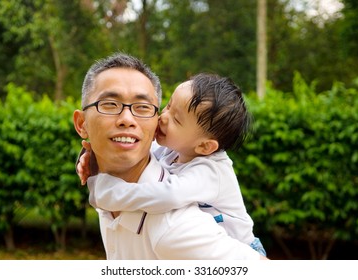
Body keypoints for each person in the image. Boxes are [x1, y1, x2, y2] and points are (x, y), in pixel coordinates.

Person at [73, 52, 267, 260]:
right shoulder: (177, 148)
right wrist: (90, 156)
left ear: (204, 146)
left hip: (244, 246)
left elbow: (169, 195)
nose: (162, 118)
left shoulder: (179, 221)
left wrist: (109, 192)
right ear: (81, 124)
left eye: (176, 119)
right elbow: (135, 145)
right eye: (167, 107)